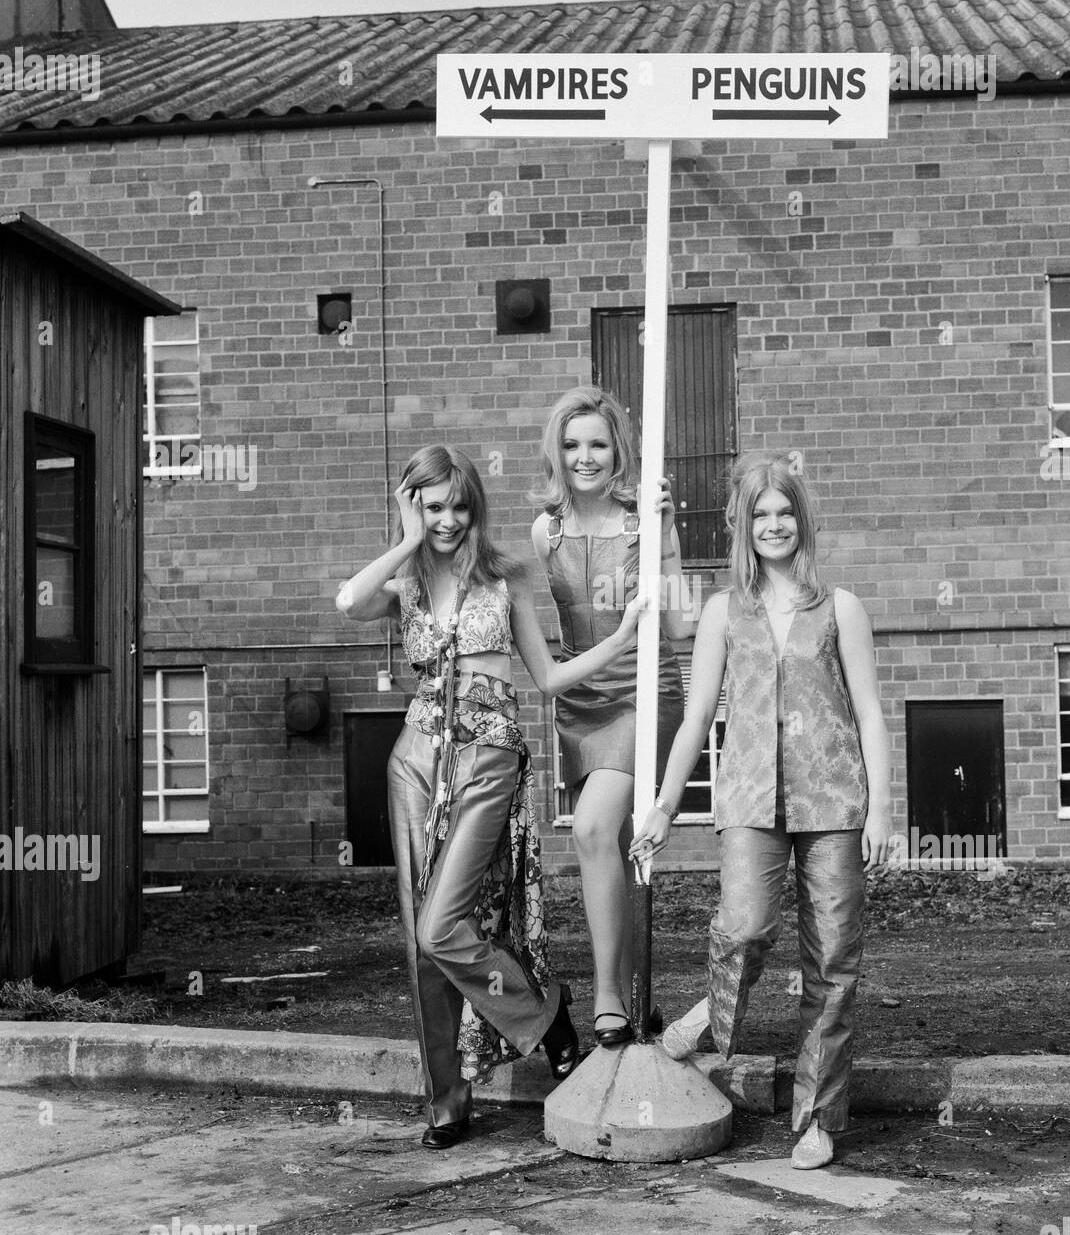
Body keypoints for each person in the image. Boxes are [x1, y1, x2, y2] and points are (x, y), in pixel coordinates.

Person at [337, 446, 644, 1150]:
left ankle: (544, 1015)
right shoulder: (406, 582)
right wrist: (406, 540)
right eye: (432, 506)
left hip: (489, 754)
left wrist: (624, 635)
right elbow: (348, 602)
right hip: (416, 756)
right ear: (414, 507)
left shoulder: (505, 581)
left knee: (441, 924)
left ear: (476, 506)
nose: (447, 519)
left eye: (457, 505)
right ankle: (446, 1099)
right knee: (422, 943)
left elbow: (548, 678)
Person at [630, 452, 891, 1170]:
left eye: (784, 512)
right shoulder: (722, 611)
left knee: (832, 960)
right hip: (748, 796)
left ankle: (815, 1119)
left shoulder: (840, 608)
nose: (773, 525)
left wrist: (881, 810)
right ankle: (707, 1025)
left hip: (834, 800)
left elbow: (869, 714)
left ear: (800, 521)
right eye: (759, 515)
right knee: (743, 928)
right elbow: (694, 719)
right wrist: (661, 804)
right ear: (742, 526)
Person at [531, 387, 691, 1046]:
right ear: (556, 451)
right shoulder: (546, 530)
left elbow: (678, 621)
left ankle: (604, 1001)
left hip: (645, 692)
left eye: (597, 443)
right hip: (580, 703)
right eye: (571, 445)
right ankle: (634, 1001)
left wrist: (669, 532)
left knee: (594, 828)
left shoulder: (642, 520)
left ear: (616, 447)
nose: (584, 456)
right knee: (614, 852)